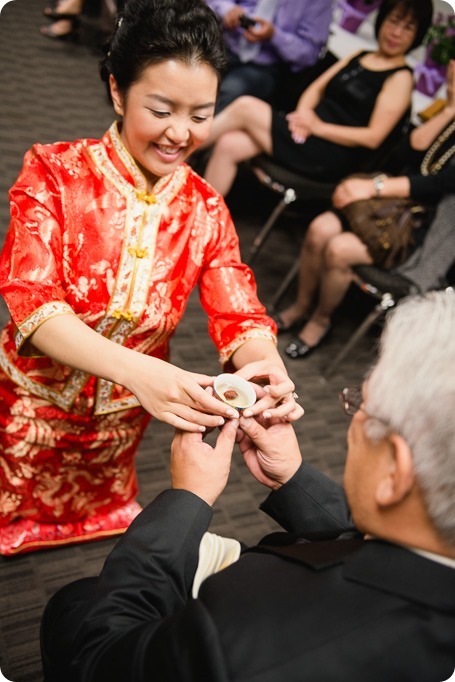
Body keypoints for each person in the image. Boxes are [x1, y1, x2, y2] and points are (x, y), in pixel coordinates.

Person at [0, 0, 303, 556]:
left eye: (200, 113)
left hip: (123, 425)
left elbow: (240, 311)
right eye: (161, 109)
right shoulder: (53, 171)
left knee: (107, 523)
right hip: (31, 408)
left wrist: (266, 374)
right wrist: (143, 373)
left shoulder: (206, 208)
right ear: (117, 91)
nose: (179, 134)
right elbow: (34, 303)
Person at [40, 289, 455, 682]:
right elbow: (369, 540)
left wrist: (188, 498)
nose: (352, 423)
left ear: (395, 472)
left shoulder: (247, 640)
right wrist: (292, 475)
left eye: (359, 407)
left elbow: (99, 658)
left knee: (76, 601)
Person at [279, 59, 455, 359]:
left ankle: (320, 321)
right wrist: (449, 109)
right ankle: (300, 307)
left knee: (338, 249)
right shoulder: (443, 109)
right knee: (320, 228)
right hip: (389, 205)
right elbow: (408, 152)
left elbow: (440, 183)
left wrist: (373, 188)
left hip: (424, 228)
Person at [201, 0, 433, 197]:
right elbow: (315, 90)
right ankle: (197, 226)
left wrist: (317, 127)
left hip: (329, 152)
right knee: (229, 145)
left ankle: (178, 150)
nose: (396, 33)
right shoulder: (361, 56)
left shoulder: (401, 77)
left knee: (244, 107)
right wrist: (303, 115)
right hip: (306, 132)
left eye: (408, 27)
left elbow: (373, 137)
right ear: (382, 19)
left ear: (418, 35)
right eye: (393, 21)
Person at [204, 0, 333, 113]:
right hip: (224, 43)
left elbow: (310, 54)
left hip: (264, 67)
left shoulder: (321, 2)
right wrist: (228, 10)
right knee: (197, 76)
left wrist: (274, 36)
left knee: (232, 90)